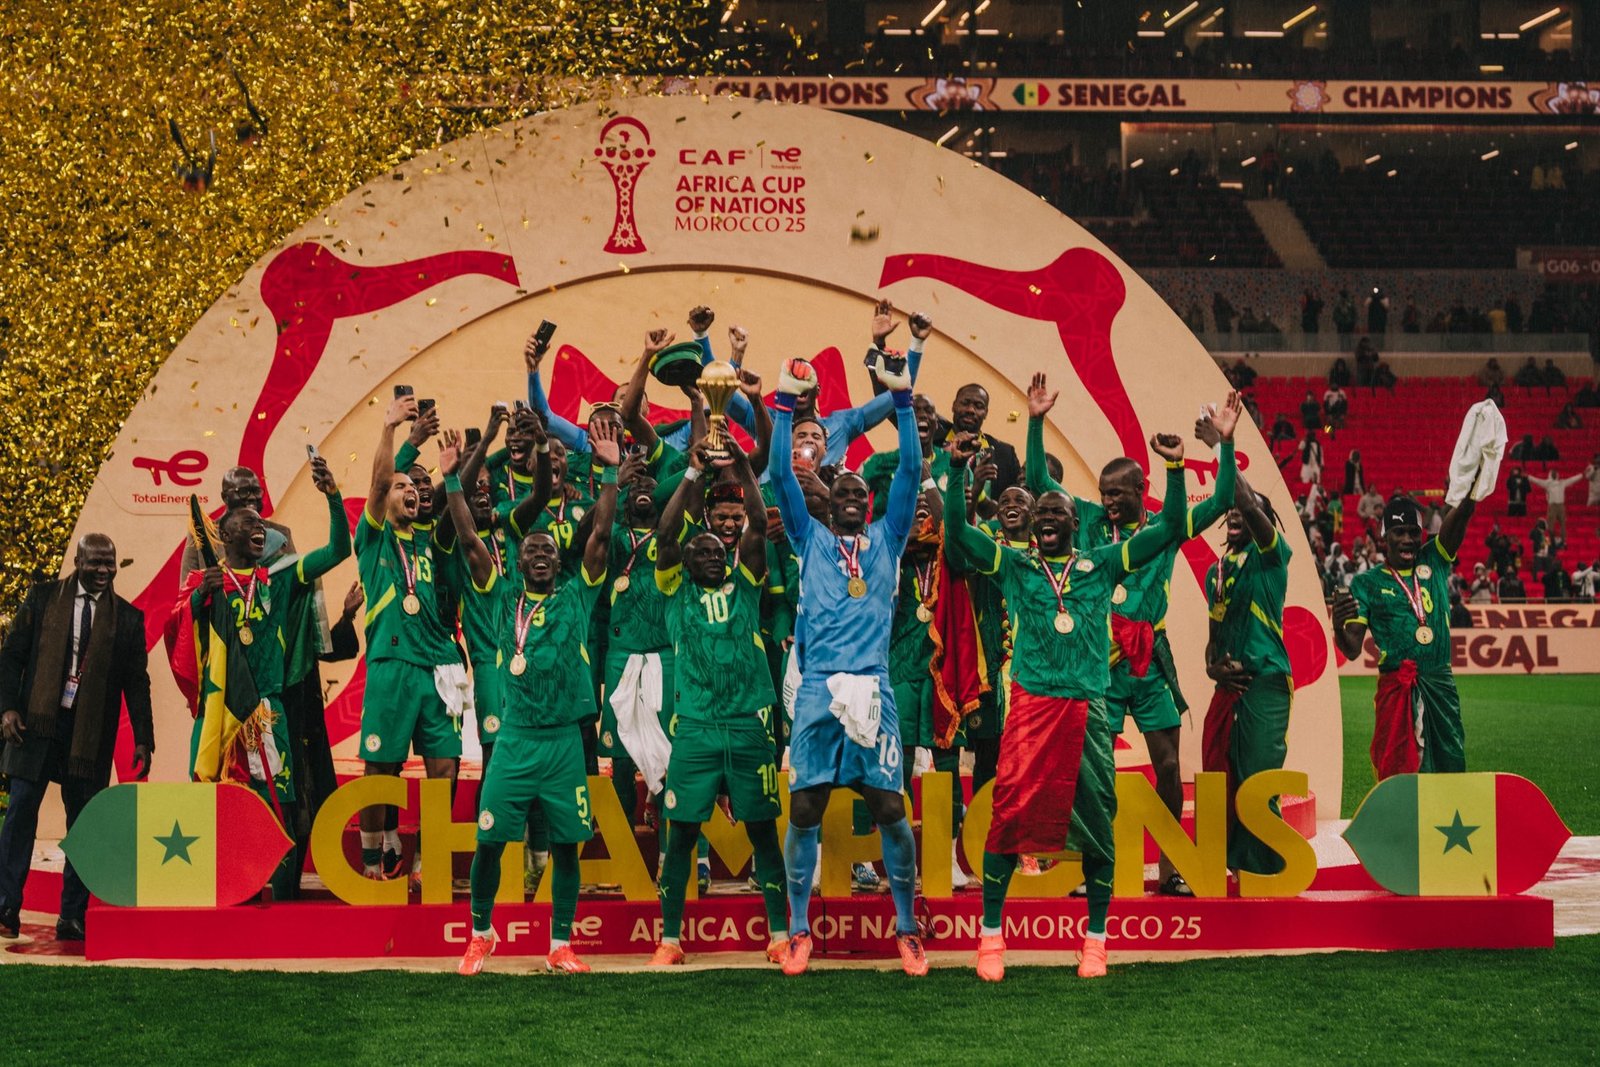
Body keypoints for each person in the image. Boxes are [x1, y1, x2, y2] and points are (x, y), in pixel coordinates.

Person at [947, 410, 1189, 982]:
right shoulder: (1014, 565)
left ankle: (1096, 940)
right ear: (1032, 525)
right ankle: (991, 936)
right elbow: (958, 534)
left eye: (1058, 512)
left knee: (1099, 823)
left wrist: (1177, 469)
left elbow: (1171, 530)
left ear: (1077, 524)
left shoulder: (1101, 564)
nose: (1049, 519)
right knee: (1007, 820)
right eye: (1042, 514)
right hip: (1031, 710)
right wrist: (957, 474)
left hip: (1087, 709)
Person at [1026, 377, 1240, 896]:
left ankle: (1170, 868)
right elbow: (1038, 483)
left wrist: (1225, 444)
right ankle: (1089, 865)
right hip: (1099, 661)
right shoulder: (1090, 521)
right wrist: (1035, 423)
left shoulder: (1166, 526)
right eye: (1103, 495)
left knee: (1167, 764)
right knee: (1091, 768)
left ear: (1140, 491)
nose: (1107, 503)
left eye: (1117, 495)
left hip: (1149, 660)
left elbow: (1222, 499)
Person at [768, 327, 927, 977]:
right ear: (830, 503)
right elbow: (782, 474)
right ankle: (798, 929)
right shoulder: (809, 540)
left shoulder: (890, 539)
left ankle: (908, 927)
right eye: (846, 494)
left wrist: (905, 404)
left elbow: (911, 471)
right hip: (817, 689)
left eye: (863, 493)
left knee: (890, 807)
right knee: (805, 807)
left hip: (873, 685)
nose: (855, 499)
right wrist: (783, 405)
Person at [457, 418, 622, 977]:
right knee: (488, 842)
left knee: (568, 846)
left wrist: (608, 471)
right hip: (514, 741)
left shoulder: (578, 595)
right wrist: (454, 481)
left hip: (564, 744)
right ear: (520, 562)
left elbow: (601, 537)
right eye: (531, 549)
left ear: (558, 559)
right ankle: (481, 933)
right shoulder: (501, 598)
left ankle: (559, 944)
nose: (542, 554)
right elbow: (469, 541)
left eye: (549, 548)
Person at [181, 454, 351, 899]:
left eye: (262, 522)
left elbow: (338, 551)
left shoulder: (280, 576)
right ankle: (221, 886)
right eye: (249, 522)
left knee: (281, 800)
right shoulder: (208, 578)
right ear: (225, 533)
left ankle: (277, 888)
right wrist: (199, 597)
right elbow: (180, 629)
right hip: (220, 709)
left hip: (268, 711)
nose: (261, 527)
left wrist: (333, 496)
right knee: (216, 798)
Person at [647, 436, 789, 967]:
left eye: (718, 551)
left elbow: (757, 522)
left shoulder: (747, 583)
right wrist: (692, 473)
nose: (713, 556)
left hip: (748, 726)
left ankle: (779, 935)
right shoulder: (674, 591)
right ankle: (670, 939)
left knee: (763, 834)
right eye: (701, 551)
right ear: (684, 562)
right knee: (681, 834)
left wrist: (744, 467)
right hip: (696, 729)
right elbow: (665, 533)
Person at [0, 535, 154, 941]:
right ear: (78, 562)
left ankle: (72, 916)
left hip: (89, 735)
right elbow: (11, 656)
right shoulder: (42, 598)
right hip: (35, 726)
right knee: (20, 813)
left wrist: (144, 738)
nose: (103, 570)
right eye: (95, 562)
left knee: (84, 826)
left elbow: (137, 683)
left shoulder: (128, 619)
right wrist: (7, 709)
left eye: (110, 563)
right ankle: (6, 906)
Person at [354, 394, 473, 883]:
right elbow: (380, 481)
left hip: (438, 669)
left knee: (444, 768)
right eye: (400, 486)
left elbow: (454, 510)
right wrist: (393, 432)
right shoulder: (373, 538)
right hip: (392, 666)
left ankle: (427, 861)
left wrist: (452, 473)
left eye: (413, 487)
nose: (407, 491)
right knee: (381, 768)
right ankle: (371, 862)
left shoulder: (431, 540)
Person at [1332, 487, 1477, 779]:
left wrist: (1471, 490)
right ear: (1385, 536)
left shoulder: (1435, 558)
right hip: (1396, 686)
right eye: (1399, 532)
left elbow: (1461, 517)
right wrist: (1337, 625)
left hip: (1439, 683)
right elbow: (1352, 649)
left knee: (1450, 763)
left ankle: (1445, 810)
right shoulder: (1366, 583)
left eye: (1414, 532)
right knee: (1399, 771)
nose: (1408, 539)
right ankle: (1401, 811)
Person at [1200, 460, 1292, 877]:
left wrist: (1222, 449)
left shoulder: (1271, 559)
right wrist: (1212, 669)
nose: (1238, 512)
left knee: (1258, 775)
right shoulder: (1215, 572)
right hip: (1227, 687)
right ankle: (1228, 862)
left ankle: (1266, 868)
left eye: (1248, 509)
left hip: (1265, 680)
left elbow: (1252, 507)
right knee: (1222, 773)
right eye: (1232, 509)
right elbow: (1212, 639)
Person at [177, 466, 295, 585]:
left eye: (256, 491)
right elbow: (186, 588)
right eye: (243, 492)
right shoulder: (203, 533)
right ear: (225, 497)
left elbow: (294, 583)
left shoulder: (281, 534)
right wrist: (205, 588)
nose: (252, 497)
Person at [1530, 469, 1582, 544]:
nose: (1554, 474)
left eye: (1555, 473)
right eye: (1553, 473)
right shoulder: (1547, 483)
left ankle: (1563, 542)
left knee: (1563, 525)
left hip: (1561, 506)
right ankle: (1550, 542)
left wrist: (1581, 475)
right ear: (1550, 475)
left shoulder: (1562, 482)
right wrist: (1529, 477)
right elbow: (1537, 481)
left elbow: (1572, 480)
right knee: (1550, 525)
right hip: (1552, 506)